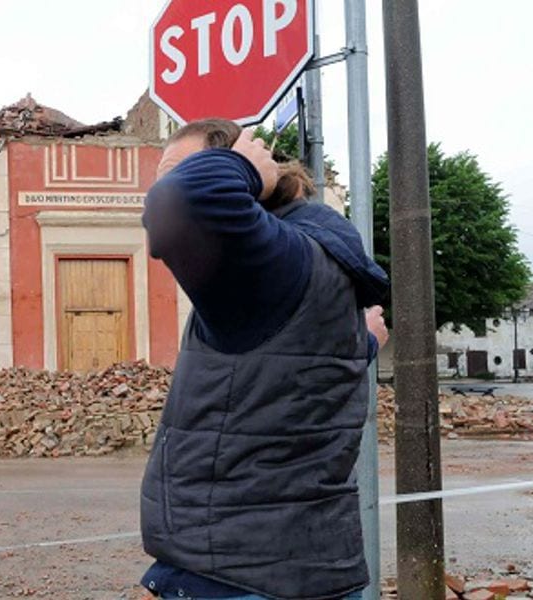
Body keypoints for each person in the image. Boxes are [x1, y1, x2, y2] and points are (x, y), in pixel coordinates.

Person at [139, 119, 390, 600]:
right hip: (305, 567)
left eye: (176, 171)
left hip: (237, 572)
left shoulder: (272, 261)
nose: (160, 188)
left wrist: (247, 167)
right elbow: (291, 372)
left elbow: (174, 208)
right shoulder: (309, 259)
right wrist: (364, 345)